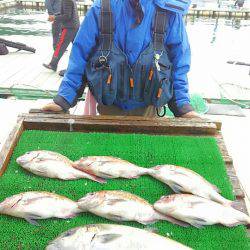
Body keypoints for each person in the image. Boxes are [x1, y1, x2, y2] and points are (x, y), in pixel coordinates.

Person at [43, 0, 199, 118]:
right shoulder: (100, 8)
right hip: (109, 106)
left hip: (149, 108)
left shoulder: (170, 12)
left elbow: (180, 62)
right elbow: (80, 56)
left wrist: (182, 105)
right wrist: (64, 99)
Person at [43, 0, 80, 71]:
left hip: (69, 27)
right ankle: (84, 65)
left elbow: (67, 16)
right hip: (75, 26)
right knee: (77, 47)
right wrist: (55, 15)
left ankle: (53, 64)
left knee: (60, 46)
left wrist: (55, 18)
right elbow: (66, 13)